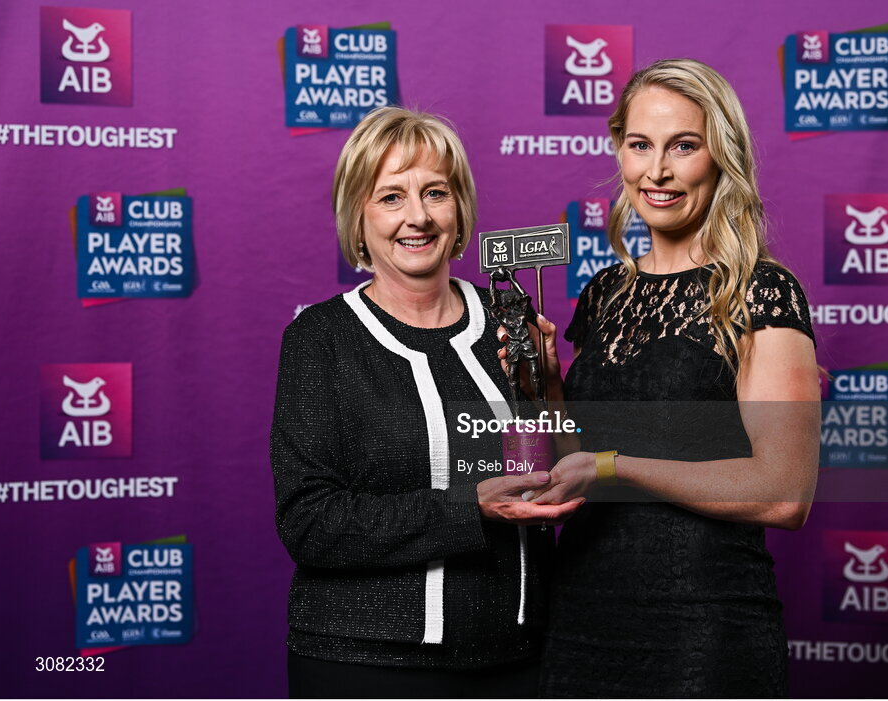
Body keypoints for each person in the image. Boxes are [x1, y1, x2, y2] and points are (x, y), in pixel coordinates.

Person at [518, 60, 821, 697]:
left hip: (703, 628)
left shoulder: (760, 292)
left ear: (721, 157)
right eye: (640, 145)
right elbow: (575, 465)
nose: (656, 171)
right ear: (619, 151)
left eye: (683, 146)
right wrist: (547, 388)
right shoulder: (603, 294)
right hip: (580, 616)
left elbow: (783, 492)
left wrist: (615, 466)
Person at [270, 106, 583, 699]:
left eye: (435, 192)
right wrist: (471, 507)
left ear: (459, 209)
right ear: (357, 219)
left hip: (517, 659)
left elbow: (557, 470)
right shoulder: (321, 337)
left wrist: (551, 388)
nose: (417, 216)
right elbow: (310, 523)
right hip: (365, 664)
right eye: (390, 197)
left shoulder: (509, 320)